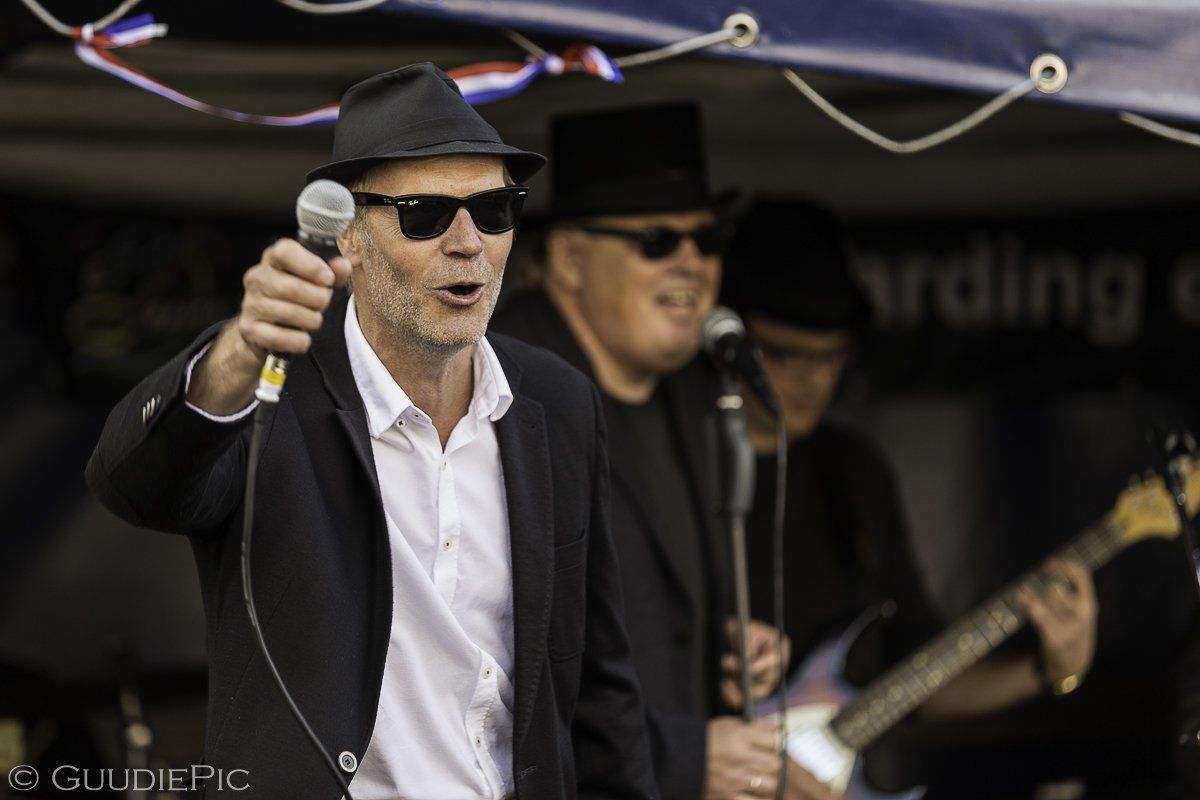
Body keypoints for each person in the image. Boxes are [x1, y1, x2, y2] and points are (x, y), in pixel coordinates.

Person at [85, 64, 657, 800]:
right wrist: (237, 350)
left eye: (494, 209)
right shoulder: (270, 384)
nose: (467, 242)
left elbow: (599, 682)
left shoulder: (554, 400)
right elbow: (133, 486)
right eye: (424, 214)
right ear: (350, 239)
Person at [492, 105, 827, 800]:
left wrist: (728, 646)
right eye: (656, 240)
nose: (693, 263)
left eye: (707, 239)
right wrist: (680, 759)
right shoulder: (501, 389)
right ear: (568, 258)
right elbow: (488, 654)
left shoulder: (697, 389)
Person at [722, 197, 1100, 787]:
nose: (814, 379)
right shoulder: (678, 468)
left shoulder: (852, 470)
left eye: (832, 356)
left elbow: (916, 678)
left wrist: (1048, 670)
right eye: (788, 354)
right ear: (733, 341)